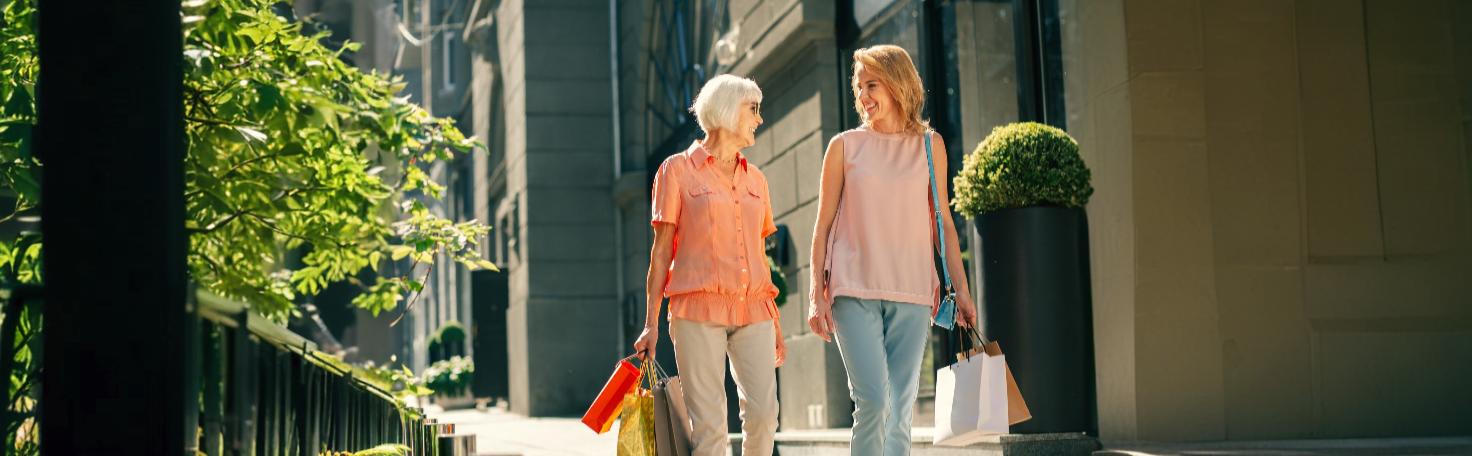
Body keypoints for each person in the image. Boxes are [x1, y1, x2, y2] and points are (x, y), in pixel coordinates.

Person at [807, 45, 979, 455]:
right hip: (853, 289)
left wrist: (964, 293)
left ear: (898, 82)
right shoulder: (844, 147)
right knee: (873, 401)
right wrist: (817, 294)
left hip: (913, 290)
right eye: (858, 87)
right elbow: (822, 227)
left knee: (901, 410)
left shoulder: (929, 145)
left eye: (871, 84)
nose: (863, 96)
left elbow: (944, 227)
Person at [633, 74, 784, 456]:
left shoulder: (758, 180)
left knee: (765, 416)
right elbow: (661, 252)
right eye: (753, 109)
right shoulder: (676, 170)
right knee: (711, 428)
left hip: (754, 310)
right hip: (697, 311)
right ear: (727, 110)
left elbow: (759, 255)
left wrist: (775, 324)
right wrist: (651, 323)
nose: (759, 119)